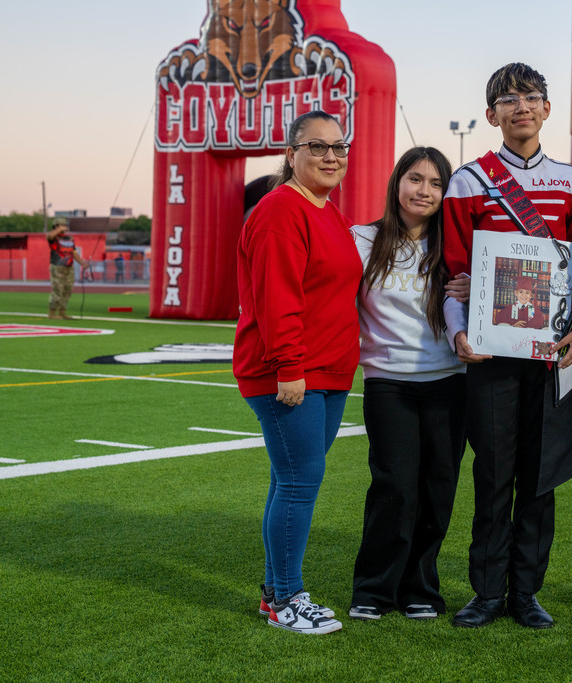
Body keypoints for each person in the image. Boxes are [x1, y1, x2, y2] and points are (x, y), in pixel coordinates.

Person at [442, 63, 572, 629]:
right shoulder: (467, 181)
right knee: (493, 475)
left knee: (541, 475)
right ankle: (486, 593)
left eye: (531, 97)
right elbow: (453, 272)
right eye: (508, 100)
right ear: (492, 115)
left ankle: (527, 592)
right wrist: (458, 330)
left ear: (547, 109)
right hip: (490, 357)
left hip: (552, 355)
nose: (520, 107)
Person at [233, 110, 362, 635]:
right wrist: (290, 366)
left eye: (338, 147)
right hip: (290, 373)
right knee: (299, 482)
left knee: (291, 480)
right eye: (317, 147)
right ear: (291, 154)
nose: (331, 156)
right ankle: (287, 598)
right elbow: (278, 297)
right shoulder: (280, 210)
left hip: (328, 372)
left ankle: (274, 593)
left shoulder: (327, 210)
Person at [348, 147, 467, 622]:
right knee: (394, 487)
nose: (424, 191)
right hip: (388, 382)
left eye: (436, 183)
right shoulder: (361, 239)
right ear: (397, 183)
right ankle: (374, 590)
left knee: (438, 489)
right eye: (415, 179)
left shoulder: (457, 246)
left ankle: (420, 588)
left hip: (449, 382)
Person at [45, 220, 89, 319]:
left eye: (65, 225)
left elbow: (73, 253)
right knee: (57, 290)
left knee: (67, 290)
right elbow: (49, 237)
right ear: (56, 226)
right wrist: (59, 229)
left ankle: (62, 311)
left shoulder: (69, 238)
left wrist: (82, 263)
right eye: (62, 225)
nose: (65, 227)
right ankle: (52, 313)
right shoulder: (53, 237)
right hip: (57, 266)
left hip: (69, 267)